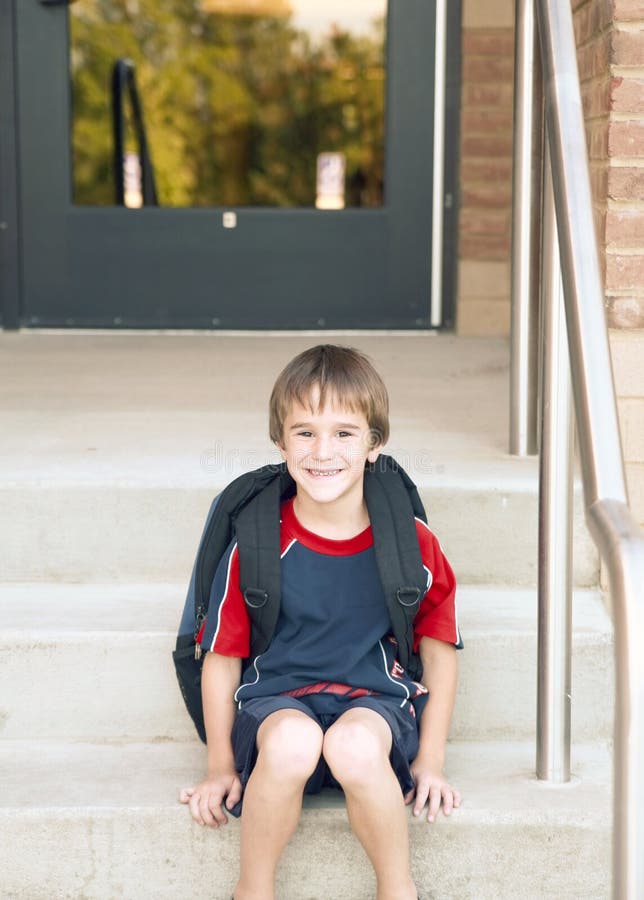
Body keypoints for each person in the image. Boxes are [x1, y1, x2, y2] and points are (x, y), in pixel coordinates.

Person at [180, 344, 462, 900]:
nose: (322, 451)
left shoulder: (411, 545)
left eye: (344, 433)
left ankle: (397, 889)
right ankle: (252, 890)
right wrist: (218, 765)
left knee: (355, 747)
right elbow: (222, 659)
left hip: (373, 709)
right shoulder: (259, 543)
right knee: (291, 742)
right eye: (304, 432)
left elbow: (439, 650)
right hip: (276, 709)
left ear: (374, 444)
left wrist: (430, 759)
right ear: (280, 442)